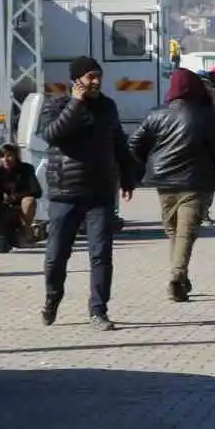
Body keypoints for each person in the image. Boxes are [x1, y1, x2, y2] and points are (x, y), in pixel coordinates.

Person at [38, 56, 138, 330]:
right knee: (57, 254)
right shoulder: (56, 104)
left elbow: (119, 142)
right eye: (90, 76)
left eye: (98, 76)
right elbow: (52, 135)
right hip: (65, 192)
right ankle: (52, 297)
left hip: (100, 192)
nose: (95, 82)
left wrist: (128, 176)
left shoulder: (107, 107)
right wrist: (75, 103)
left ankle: (98, 311)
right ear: (77, 80)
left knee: (101, 253)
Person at [129, 69, 215, 302]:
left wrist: (144, 164)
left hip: (164, 184)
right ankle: (177, 277)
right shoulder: (204, 114)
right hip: (195, 182)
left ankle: (179, 277)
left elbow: (134, 143)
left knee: (174, 233)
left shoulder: (155, 114)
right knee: (185, 234)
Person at [0, 143, 44, 247]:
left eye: (9, 155)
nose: (6, 159)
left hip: (20, 205)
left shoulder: (26, 169)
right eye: (2, 157)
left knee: (29, 201)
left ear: (16, 156)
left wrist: (15, 197)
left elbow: (37, 191)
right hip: (1, 205)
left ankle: (25, 233)